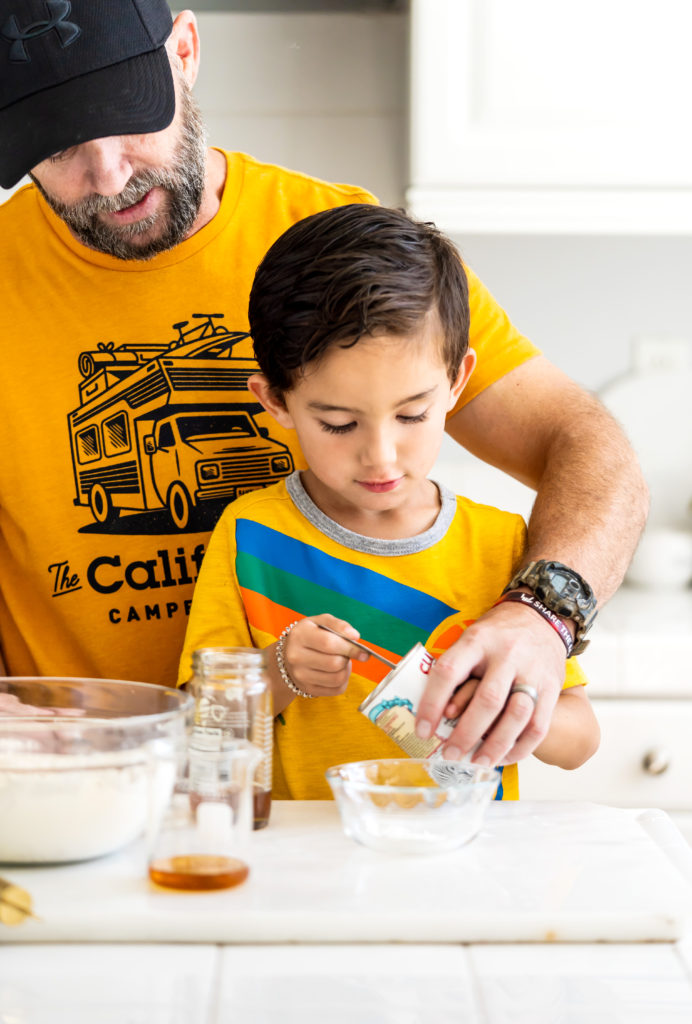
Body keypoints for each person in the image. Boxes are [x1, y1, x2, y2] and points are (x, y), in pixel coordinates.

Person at [0, 1, 645, 767]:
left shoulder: (344, 245)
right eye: (59, 143)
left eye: (125, 114)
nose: (108, 174)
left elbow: (588, 446)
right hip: (76, 780)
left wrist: (543, 619)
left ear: (185, 51)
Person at [177, 203, 600, 799]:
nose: (381, 456)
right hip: (310, 866)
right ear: (275, 400)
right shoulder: (251, 534)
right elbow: (202, 727)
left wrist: (507, 706)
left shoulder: (503, 545)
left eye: (411, 414)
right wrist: (278, 672)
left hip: (466, 866)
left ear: (457, 379)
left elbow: (581, 739)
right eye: (339, 423)